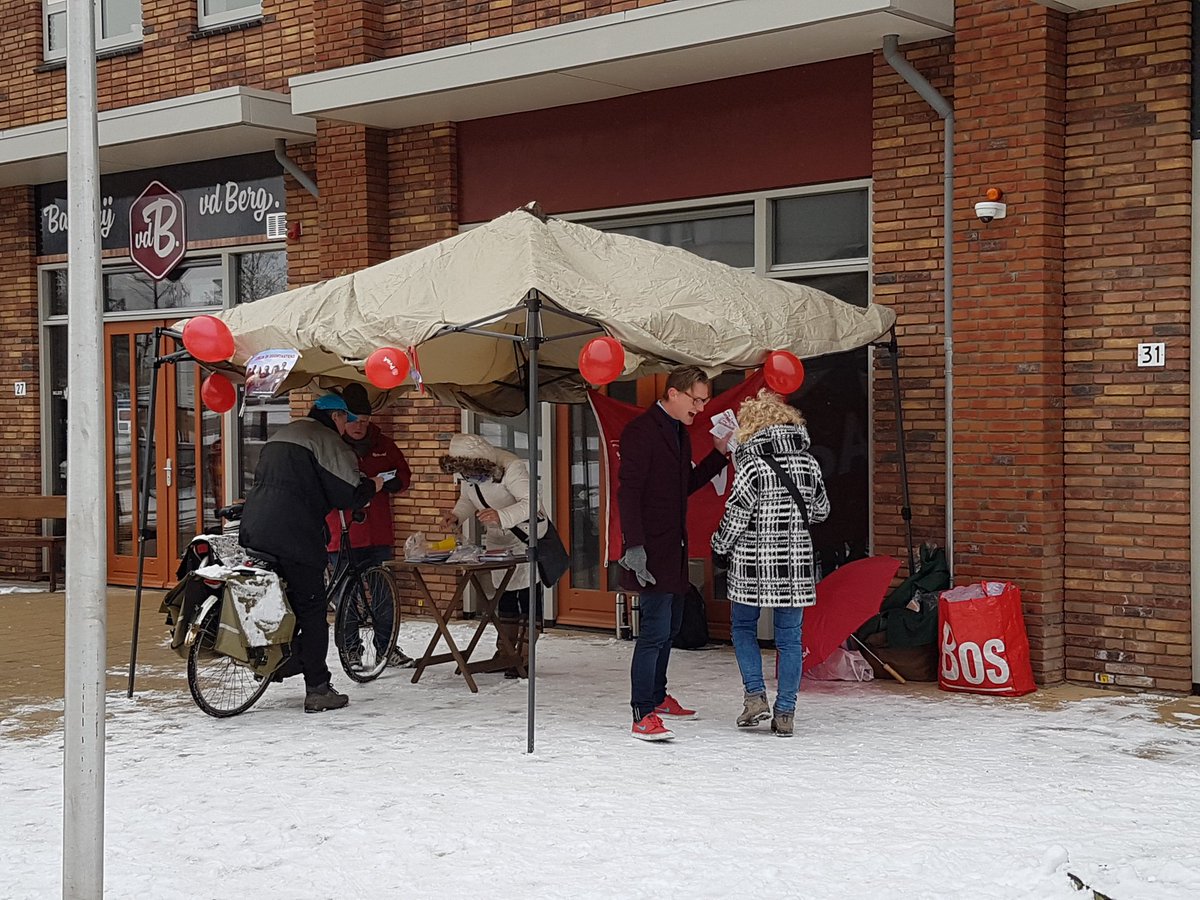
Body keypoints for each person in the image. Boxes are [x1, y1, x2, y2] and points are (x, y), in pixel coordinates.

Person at [238, 392, 384, 713]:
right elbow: (348, 492)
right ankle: (318, 689)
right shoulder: (326, 439)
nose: (349, 425)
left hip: (256, 529)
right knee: (313, 610)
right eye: (347, 419)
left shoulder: (284, 433)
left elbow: (300, 482)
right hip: (295, 536)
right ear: (336, 418)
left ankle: (275, 658)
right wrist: (373, 485)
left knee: (276, 598)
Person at [618, 365, 731, 742]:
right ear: (673, 393)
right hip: (649, 548)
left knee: (669, 629)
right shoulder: (641, 431)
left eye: (704, 401)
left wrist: (718, 455)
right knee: (653, 632)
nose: (699, 408)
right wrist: (634, 546)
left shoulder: (679, 432)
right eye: (696, 400)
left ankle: (658, 695)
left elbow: (684, 486)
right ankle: (641, 712)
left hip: (674, 547)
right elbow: (628, 492)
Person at [710, 389, 830, 738]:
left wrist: (719, 545)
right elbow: (821, 511)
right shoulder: (810, 463)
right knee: (790, 639)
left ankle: (755, 697)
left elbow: (735, 515)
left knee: (743, 627)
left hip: (751, 563)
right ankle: (786, 713)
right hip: (795, 564)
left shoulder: (752, 465)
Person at [438, 433, 547, 678]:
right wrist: (457, 515)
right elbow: (468, 498)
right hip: (499, 538)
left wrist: (501, 516)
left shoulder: (512, 467)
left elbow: (531, 502)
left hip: (526, 534)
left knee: (527, 594)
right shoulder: (468, 472)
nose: (468, 479)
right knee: (504, 594)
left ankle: (525, 654)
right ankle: (505, 651)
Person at [325, 383, 414, 669]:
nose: (359, 426)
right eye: (353, 419)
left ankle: (386, 648)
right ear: (342, 418)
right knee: (345, 597)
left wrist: (386, 482)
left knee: (383, 595)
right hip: (342, 533)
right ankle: (351, 650)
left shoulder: (383, 444)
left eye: (364, 420)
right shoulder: (330, 445)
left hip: (378, 532)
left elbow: (404, 476)